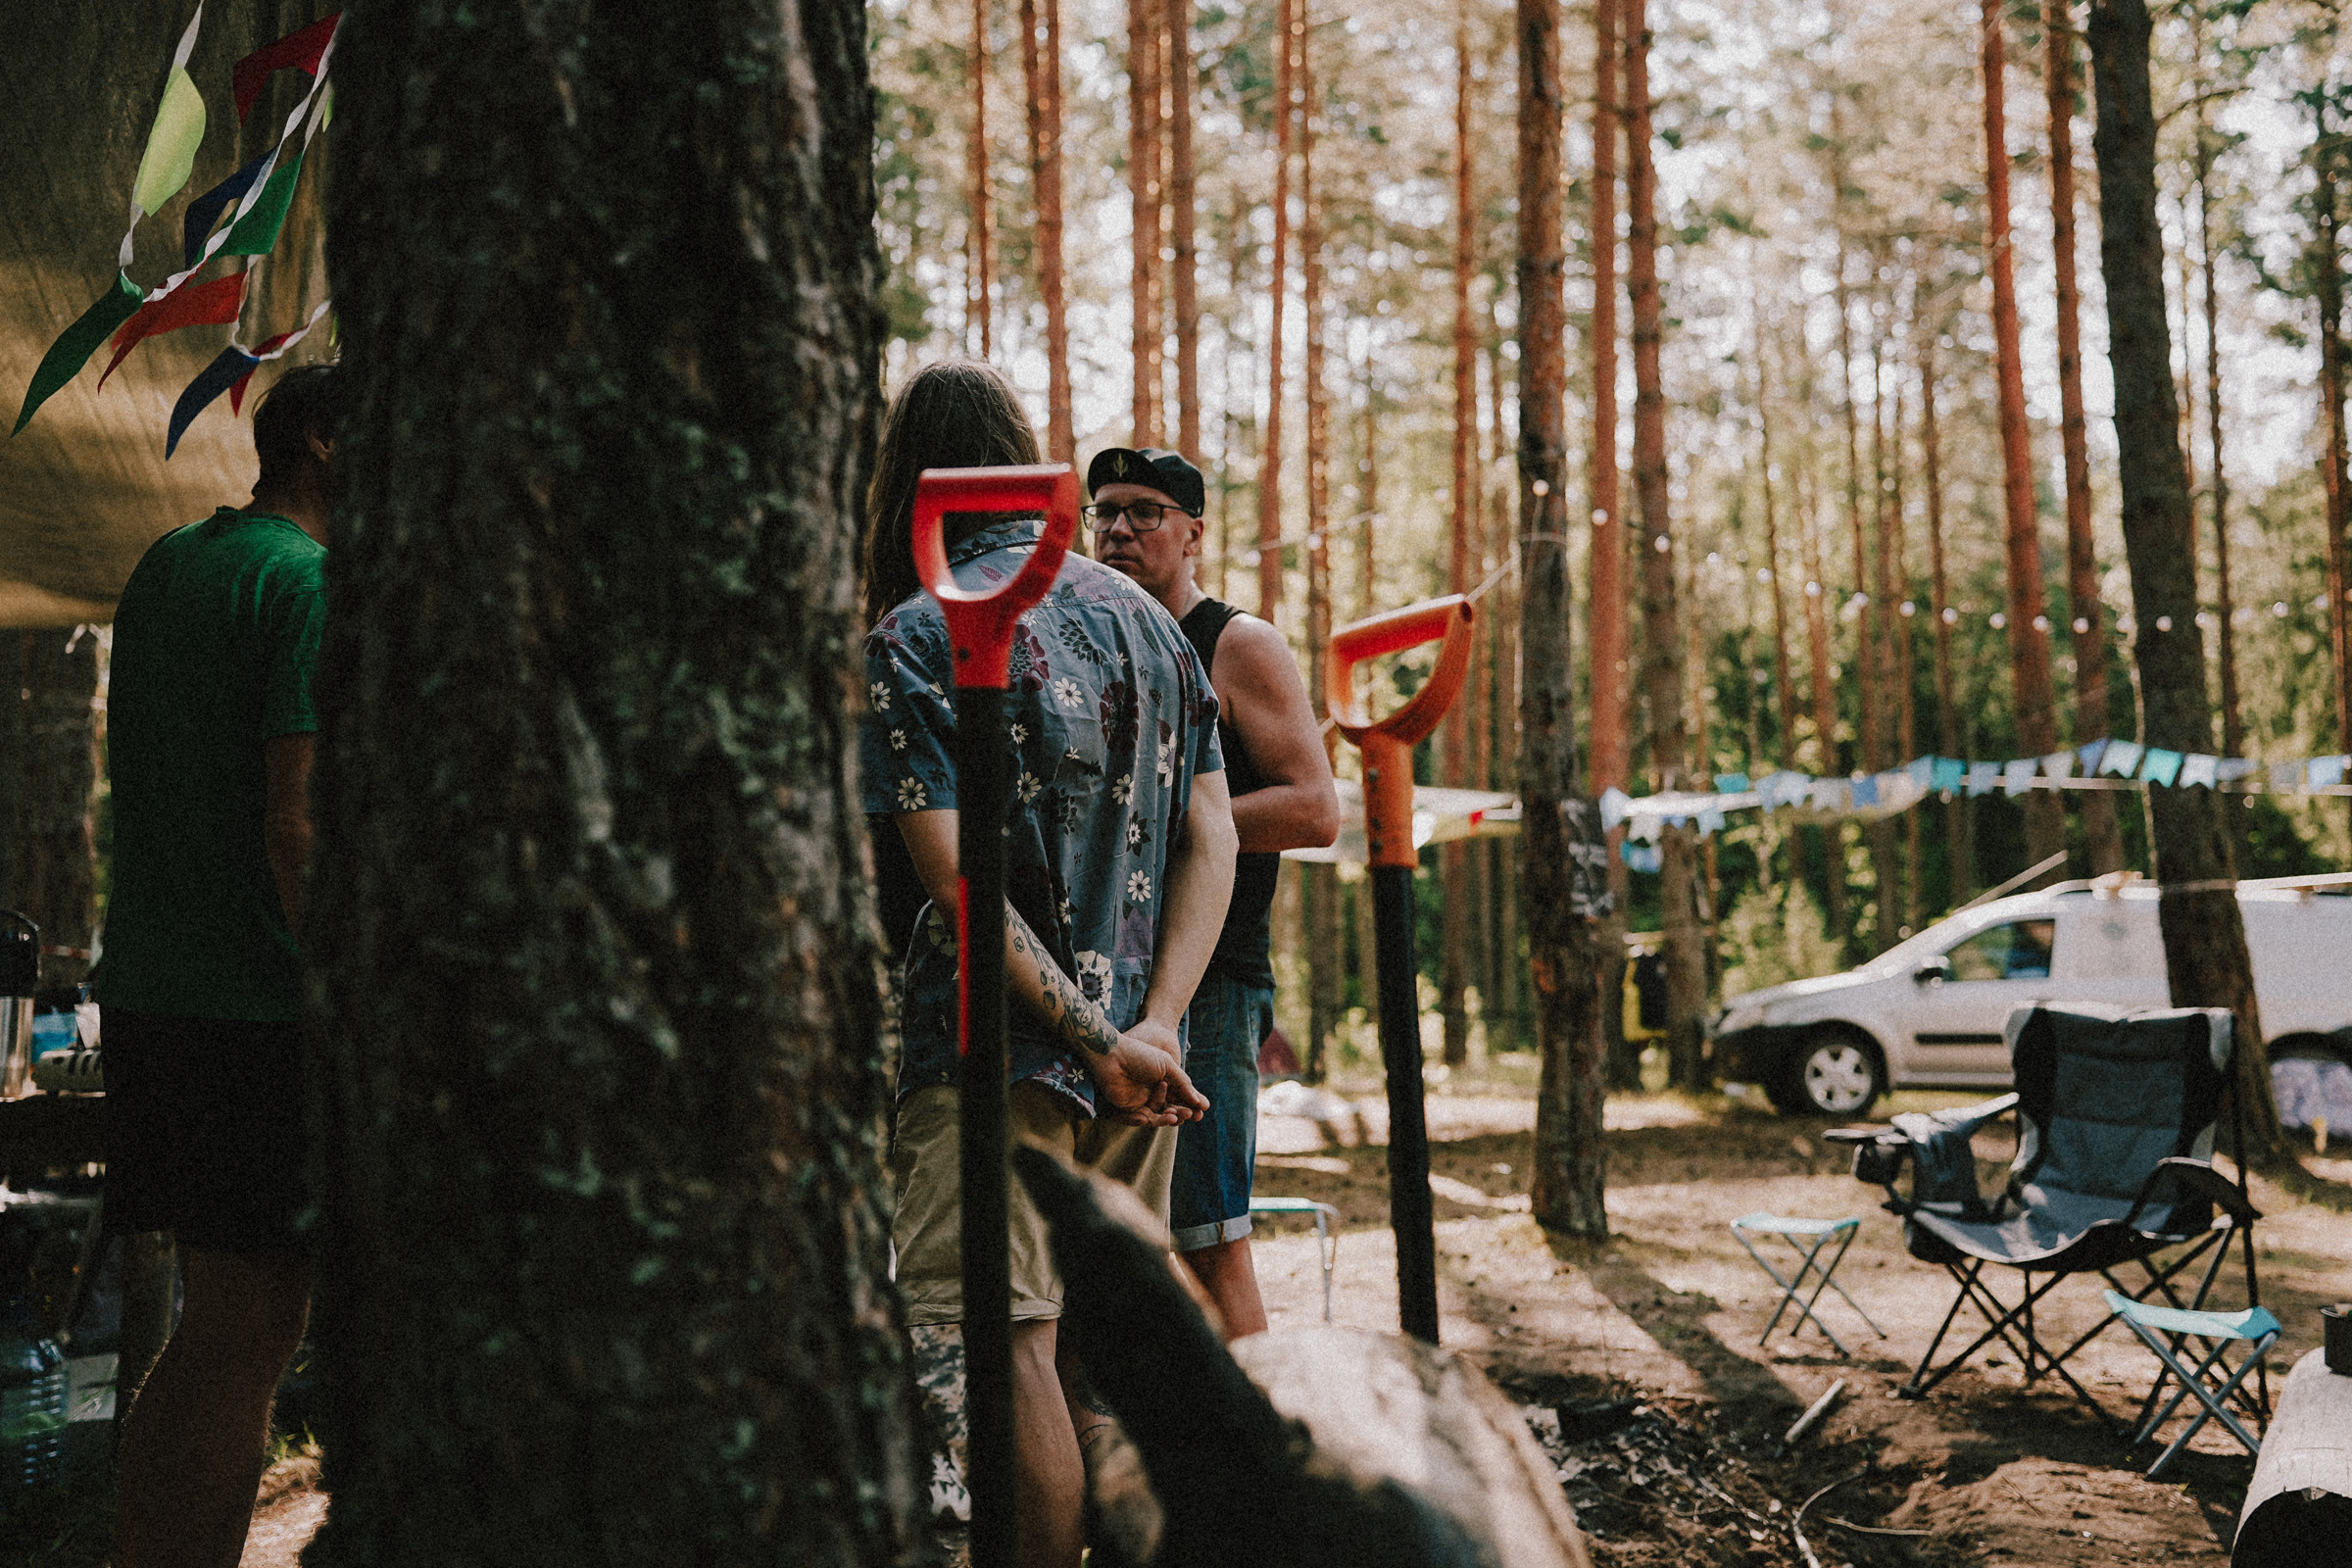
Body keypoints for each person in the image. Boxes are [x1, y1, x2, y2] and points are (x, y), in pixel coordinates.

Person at [859, 362, 1237, 1568]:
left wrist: (1096, 1039)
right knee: (1092, 1363)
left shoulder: (914, 632)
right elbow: (1213, 835)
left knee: (1000, 1349)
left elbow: (956, 885)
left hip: (989, 1058)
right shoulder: (1150, 622)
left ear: (908, 481)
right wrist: (1156, 1025)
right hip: (1141, 1063)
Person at [96, 362, 339, 1568]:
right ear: (326, 443)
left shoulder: (169, 564)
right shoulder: (312, 584)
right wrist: (342, 993)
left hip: (153, 995)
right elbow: (297, 822)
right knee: (251, 1331)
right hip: (256, 1003)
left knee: (216, 1328)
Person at [1091, 446, 1339, 1339]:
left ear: (1194, 533)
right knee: (1111, 1243)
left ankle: (1261, 1422)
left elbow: (1314, 808)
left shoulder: (1236, 644)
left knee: (1207, 1240)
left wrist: (1178, 822)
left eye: (1145, 512)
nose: (1119, 529)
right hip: (1103, 988)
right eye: (1105, 511)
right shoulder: (1094, 645)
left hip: (1212, 984)